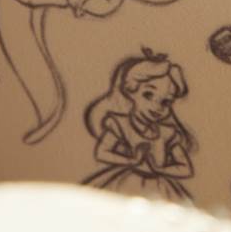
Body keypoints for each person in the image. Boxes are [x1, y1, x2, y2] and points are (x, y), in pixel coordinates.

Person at [83, 49, 194, 202]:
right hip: (125, 183)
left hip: (160, 189)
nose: (157, 106)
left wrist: (160, 169)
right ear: (131, 91)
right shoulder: (120, 124)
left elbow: (185, 168)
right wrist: (131, 161)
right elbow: (102, 152)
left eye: (166, 102)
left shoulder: (167, 133)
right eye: (148, 95)